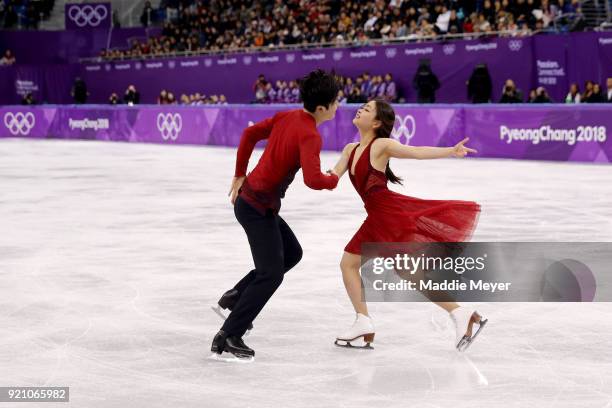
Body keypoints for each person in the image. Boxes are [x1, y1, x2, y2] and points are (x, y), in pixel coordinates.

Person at [328, 99, 485, 351]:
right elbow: (332, 176)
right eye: (362, 107)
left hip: (388, 216)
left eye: (367, 109)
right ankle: (458, 312)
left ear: (377, 122)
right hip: (377, 218)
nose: (360, 109)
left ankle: (365, 321)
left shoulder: (381, 145)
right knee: (377, 268)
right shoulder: (350, 149)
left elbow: (417, 151)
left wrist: (449, 151)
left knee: (369, 266)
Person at [211, 69, 341, 361]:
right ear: (322, 108)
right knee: (271, 274)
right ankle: (229, 334)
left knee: (291, 253)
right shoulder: (310, 134)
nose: (338, 105)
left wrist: (240, 173)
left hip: (256, 204)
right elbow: (313, 179)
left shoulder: (289, 115)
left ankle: (236, 296)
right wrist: (335, 176)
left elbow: (249, 134)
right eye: (335, 101)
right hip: (256, 207)